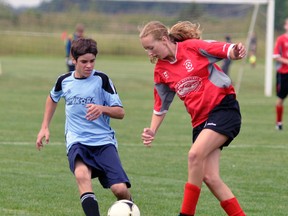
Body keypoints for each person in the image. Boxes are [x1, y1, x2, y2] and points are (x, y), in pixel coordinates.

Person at [139, 21, 246, 216]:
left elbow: (221, 49)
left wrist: (234, 51)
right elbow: (160, 106)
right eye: (146, 49)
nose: (150, 53)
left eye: (151, 47)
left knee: (194, 155)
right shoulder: (161, 71)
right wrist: (152, 130)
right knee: (210, 177)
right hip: (199, 123)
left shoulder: (192, 47)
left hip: (223, 110)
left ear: (164, 40)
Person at [36, 38, 132, 216]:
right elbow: (52, 98)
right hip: (77, 140)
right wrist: (44, 127)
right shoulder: (64, 81)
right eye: (84, 62)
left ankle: (129, 208)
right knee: (81, 175)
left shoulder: (102, 80)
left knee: (119, 189)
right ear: (74, 60)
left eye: (92, 61)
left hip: (103, 142)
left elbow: (120, 112)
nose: (89, 66)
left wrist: (102, 109)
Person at [273, 18, 288, 131]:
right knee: (280, 98)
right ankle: (279, 122)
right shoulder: (281, 39)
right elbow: (275, 56)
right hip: (284, 73)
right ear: (285, 26)